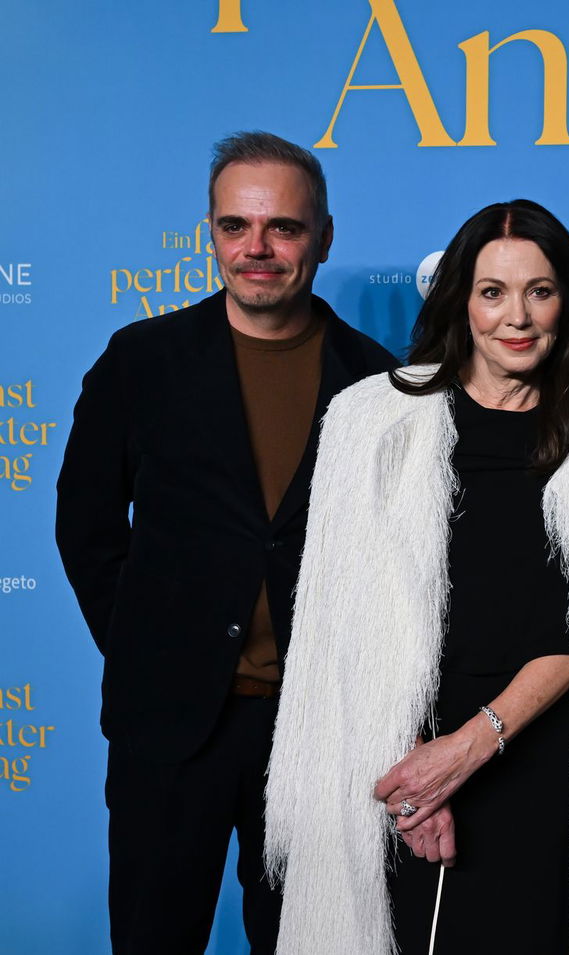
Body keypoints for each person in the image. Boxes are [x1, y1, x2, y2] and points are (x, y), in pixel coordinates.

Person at [262, 200, 569, 955]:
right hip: (392, 761)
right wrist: (418, 777)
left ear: (567, 303)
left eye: (539, 291)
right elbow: (338, 620)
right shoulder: (371, 422)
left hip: (544, 764)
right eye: (493, 292)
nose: (516, 317)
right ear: (462, 300)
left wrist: (468, 748)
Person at [54, 131, 398, 953]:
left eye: (283, 227)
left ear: (323, 237)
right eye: (235, 225)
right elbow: (86, 526)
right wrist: (147, 647)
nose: (257, 248)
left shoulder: (379, 382)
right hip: (169, 726)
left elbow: (396, 562)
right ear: (210, 232)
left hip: (318, 734)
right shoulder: (141, 360)